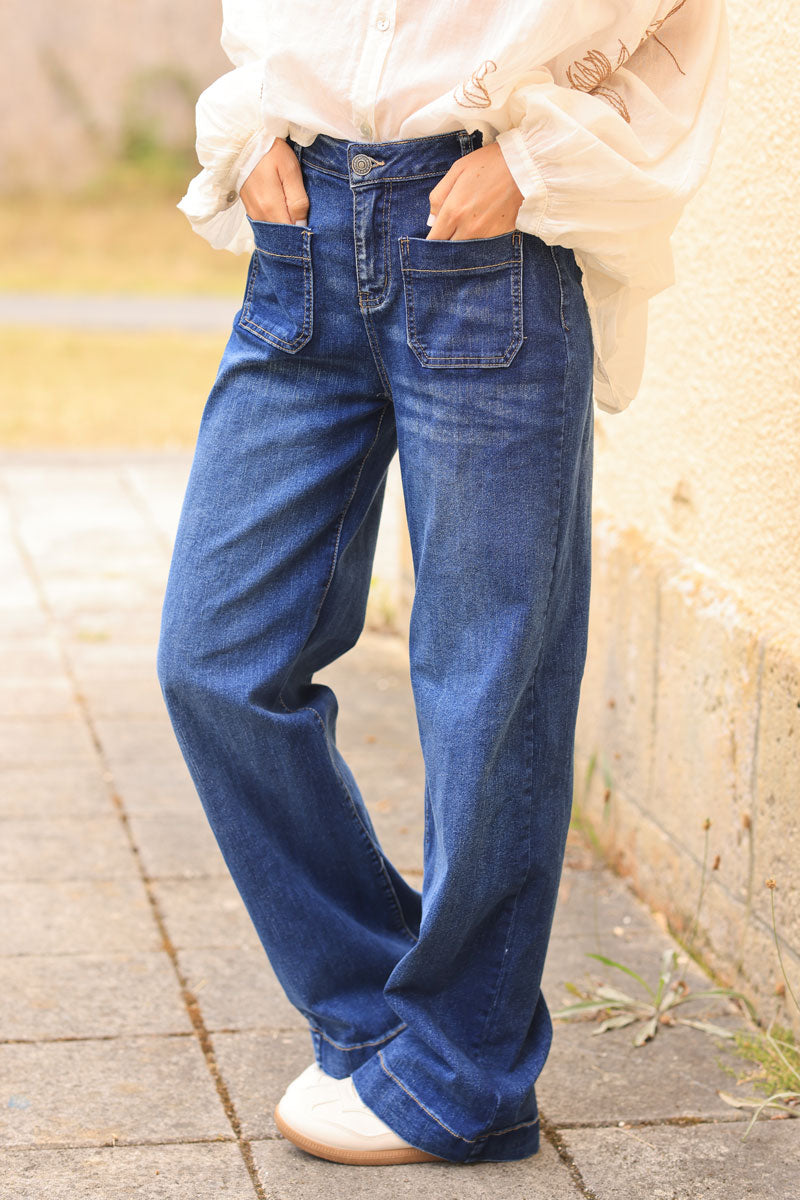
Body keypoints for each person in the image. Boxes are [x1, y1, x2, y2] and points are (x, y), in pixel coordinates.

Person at [157, 0, 729, 1168]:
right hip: (301, 233)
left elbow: (682, 25)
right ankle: (382, 1019)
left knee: (485, 685)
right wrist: (256, 130)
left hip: (482, 240)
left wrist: (527, 168)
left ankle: (463, 1070)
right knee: (213, 658)